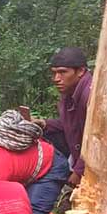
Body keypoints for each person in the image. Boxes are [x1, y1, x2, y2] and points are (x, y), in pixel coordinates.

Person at [34, 47, 93, 188]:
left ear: (80, 71)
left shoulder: (89, 97)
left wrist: (79, 172)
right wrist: (44, 123)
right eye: (54, 73)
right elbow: (72, 124)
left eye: (62, 72)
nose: (56, 79)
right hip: (79, 150)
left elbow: (95, 138)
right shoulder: (70, 92)